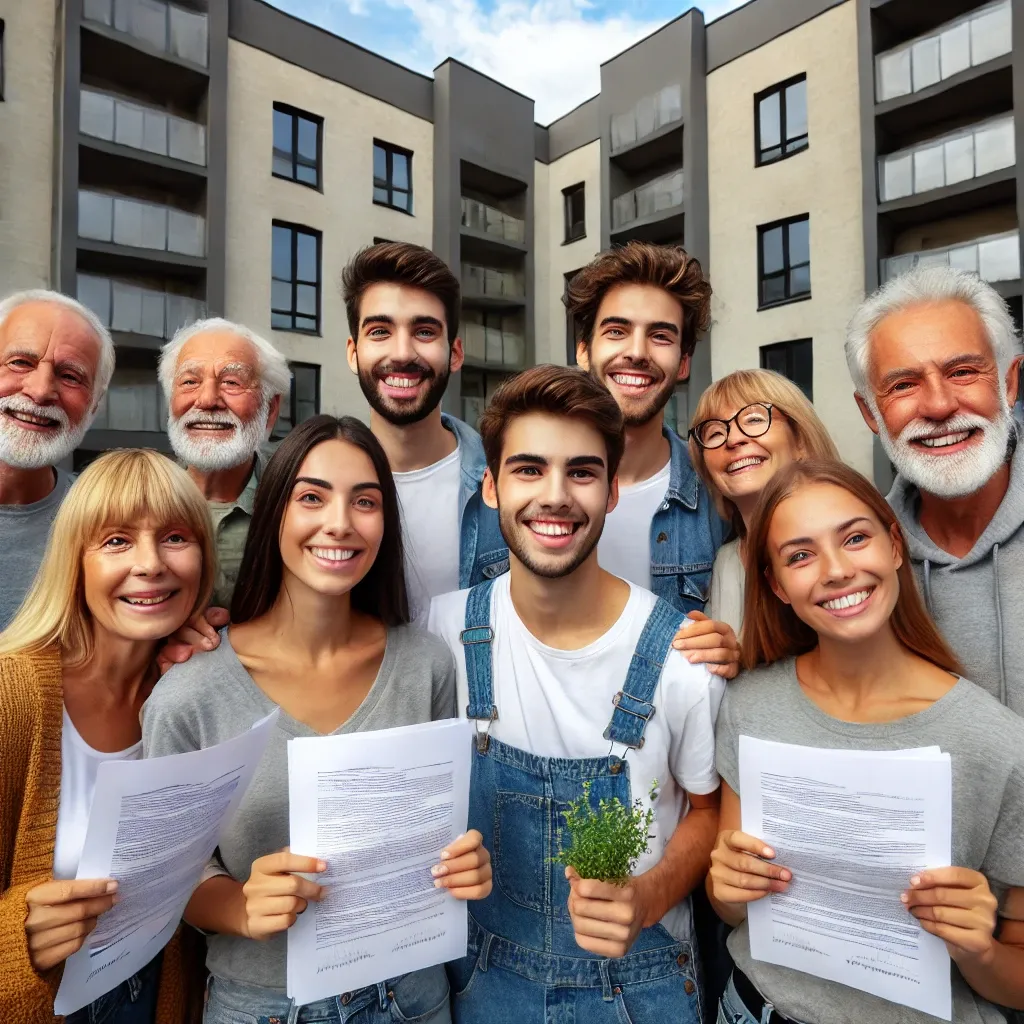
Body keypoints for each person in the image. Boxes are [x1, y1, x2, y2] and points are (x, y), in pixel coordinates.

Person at [143, 414, 492, 1024]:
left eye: (366, 501)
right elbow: (171, 877)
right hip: (263, 1004)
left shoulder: (427, 665)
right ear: (275, 511)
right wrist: (240, 907)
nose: (340, 523)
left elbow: (441, 830)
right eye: (312, 497)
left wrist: (465, 861)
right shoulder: (189, 695)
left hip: (411, 997)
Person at [427, 365, 721, 1023]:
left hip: (642, 991)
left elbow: (709, 810)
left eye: (582, 473)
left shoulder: (682, 657)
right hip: (481, 984)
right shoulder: (441, 634)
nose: (555, 496)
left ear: (613, 490)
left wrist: (647, 897)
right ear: (492, 487)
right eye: (528, 470)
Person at [709, 458, 1024, 1024]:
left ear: (895, 545)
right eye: (800, 555)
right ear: (777, 585)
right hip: (754, 1009)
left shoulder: (996, 744)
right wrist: (728, 889)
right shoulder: (748, 706)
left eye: (854, 537)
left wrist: (980, 948)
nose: (835, 570)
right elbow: (734, 911)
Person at [0, 448, 215, 1023]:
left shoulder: (192, 694)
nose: (150, 564)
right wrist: (14, 939)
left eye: (175, 537)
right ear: (76, 560)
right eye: (117, 541)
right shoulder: (12, 696)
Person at [846, 265, 1024, 715]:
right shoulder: (860, 561)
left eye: (963, 371)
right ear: (871, 413)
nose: (940, 406)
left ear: (1009, 383)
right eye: (903, 385)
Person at [343, 241, 506, 623]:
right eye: (380, 331)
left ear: (455, 353)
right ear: (353, 353)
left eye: (425, 331)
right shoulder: (307, 490)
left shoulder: (507, 479)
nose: (402, 352)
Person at [688, 368, 839, 631]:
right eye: (714, 433)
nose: (734, 439)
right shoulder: (726, 562)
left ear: (800, 440)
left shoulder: (854, 539)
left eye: (754, 419)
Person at [0, 289, 115, 630]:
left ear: (94, 404)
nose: (39, 391)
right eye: (20, 362)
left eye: (70, 376)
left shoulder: (109, 521)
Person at [159, 318, 290, 608]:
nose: (207, 400)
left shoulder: (296, 504)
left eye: (232, 382)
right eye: (190, 382)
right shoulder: (134, 500)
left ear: (270, 408)